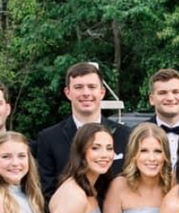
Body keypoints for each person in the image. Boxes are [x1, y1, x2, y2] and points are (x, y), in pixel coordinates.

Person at [34, 62, 130, 192]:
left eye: (92, 87)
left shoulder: (125, 134)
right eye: (78, 87)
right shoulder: (49, 138)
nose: (86, 93)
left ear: (102, 92)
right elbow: (47, 190)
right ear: (68, 93)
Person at [147, 68, 179, 161]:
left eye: (175, 92)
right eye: (162, 93)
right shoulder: (134, 134)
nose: (170, 98)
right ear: (152, 99)